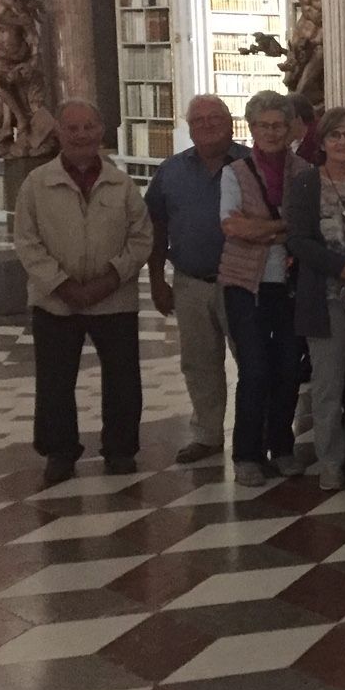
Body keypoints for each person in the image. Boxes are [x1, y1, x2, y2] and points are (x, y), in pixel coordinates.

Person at [15, 100, 152, 482]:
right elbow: (27, 242)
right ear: (59, 131)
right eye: (72, 128)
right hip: (56, 301)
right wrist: (63, 286)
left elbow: (141, 238)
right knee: (55, 381)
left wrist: (111, 278)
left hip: (115, 298)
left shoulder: (122, 184)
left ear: (101, 130)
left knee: (123, 379)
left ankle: (121, 449)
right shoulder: (36, 184)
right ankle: (59, 451)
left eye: (88, 127)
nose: (81, 135)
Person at [145, 94, 248, 466]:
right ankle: (206, 433)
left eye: (214, 117)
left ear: (230, 122)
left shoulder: (249, 164)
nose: (207, 124)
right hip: (190, 282)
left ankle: (256, 436)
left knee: (252, 361)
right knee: (199, 362)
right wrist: (157, 278)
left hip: (243, 283)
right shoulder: (171, 171)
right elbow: (155, 226)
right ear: (189, 128)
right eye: (198, 120)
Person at [285, 108, 345, 490]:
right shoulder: (307, 183)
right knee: (327, 384)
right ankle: (330, 459)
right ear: (322, 141)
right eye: (335, 135)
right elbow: (298, 240)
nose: (344, 142)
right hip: (323, 296)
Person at [218, 91, 310, 486]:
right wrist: (279, 228)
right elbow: (233, 227)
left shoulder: (305, 170)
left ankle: (283, 447)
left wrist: (262, 229)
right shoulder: (234, 173)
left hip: (290, 284)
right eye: (263, 125)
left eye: (278, 125)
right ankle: (246, 453)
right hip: (245, 284)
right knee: (254, 370)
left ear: (290, 129)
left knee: (288, 368)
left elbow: (308, 228)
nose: (271, 132)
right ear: (251, 128)